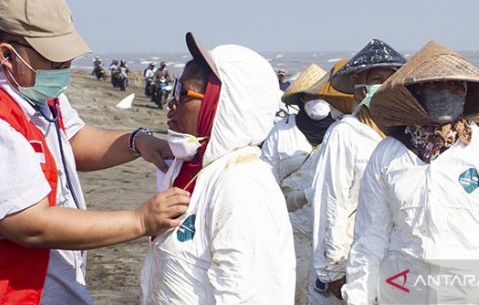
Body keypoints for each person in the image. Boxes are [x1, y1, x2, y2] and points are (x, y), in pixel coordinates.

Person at [0, 0, 190, 305]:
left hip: (30, 280)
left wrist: (137, 142)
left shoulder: (29, 86)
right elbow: (30, 225)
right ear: (8, 56)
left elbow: (73, 139)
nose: (65, 69)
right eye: (55, 61)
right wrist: (139, 220)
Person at [344, 41, 479, 304]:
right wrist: (359, 297)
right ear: (416, 92)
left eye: (454, 85)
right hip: (402, 290)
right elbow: (369, 238)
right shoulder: (388, 153)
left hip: (467, 293)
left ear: (465, 92)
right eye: (433, 84)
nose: (445, 91)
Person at [140, 32, 295, 304]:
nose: (172, 102)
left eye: (184, 93)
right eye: (175, 89)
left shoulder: (241, 183)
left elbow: (246, 294)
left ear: (224, 105)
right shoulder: (191, 167)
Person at [310, 39, 406, 303]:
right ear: (360, 87)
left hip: (394, 262)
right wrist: (333, 271)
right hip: (352, 258)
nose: (385, 85)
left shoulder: (405, 136)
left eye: (392, 78)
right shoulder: (345, 134)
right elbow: (331, 202)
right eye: (376, 78)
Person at [261, 63, 335, 304]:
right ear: (301, 99)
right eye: (311, 95)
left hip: (330, 228)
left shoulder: (341, 130)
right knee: (292, 288)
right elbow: (265, 176)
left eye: (321, 95)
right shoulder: (281, 132)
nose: (317, 100)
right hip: (290, 226)